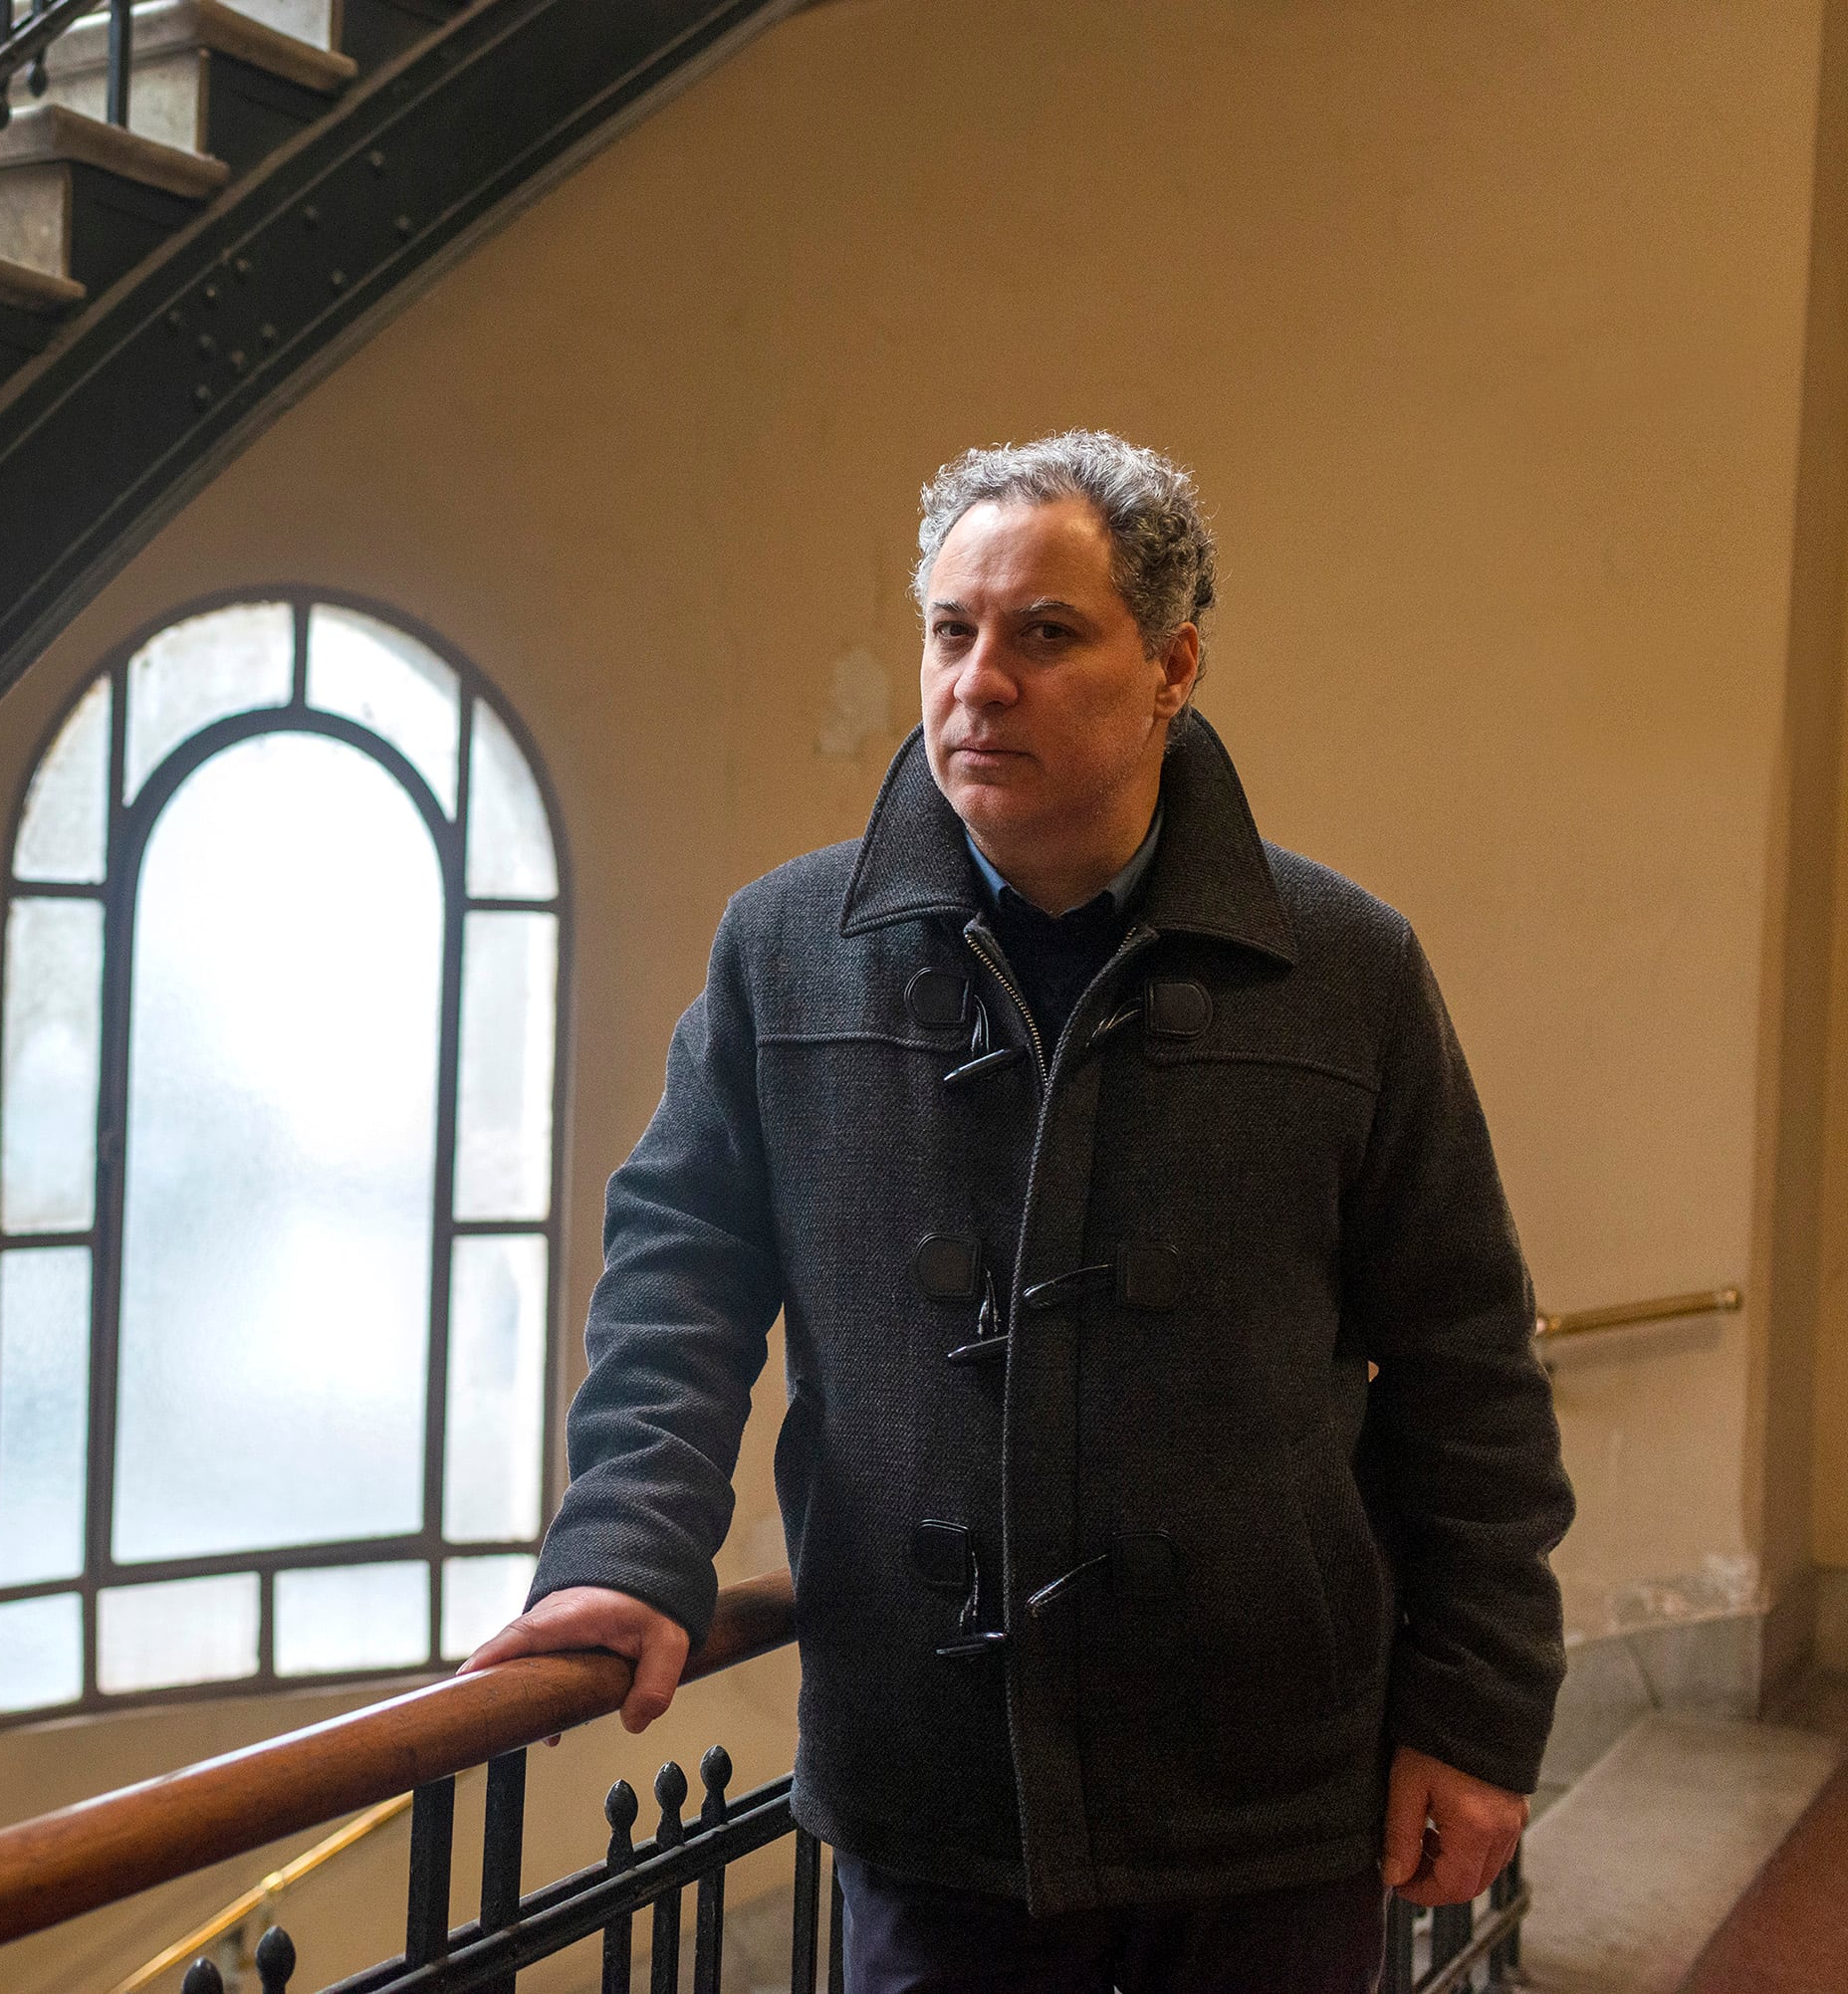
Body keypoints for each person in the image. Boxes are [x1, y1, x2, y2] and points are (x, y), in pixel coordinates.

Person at [467, 432, 1573, 1992]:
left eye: (1046, 634)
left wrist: (1473, 1713)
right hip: (935, 1787)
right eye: (951, 630)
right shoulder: (785, 951)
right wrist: (628, 1543)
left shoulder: (1346, 969)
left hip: (1264, 1790)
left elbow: (1470, 1375)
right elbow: (679, 1278)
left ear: (1173, 665)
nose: (979, 683)